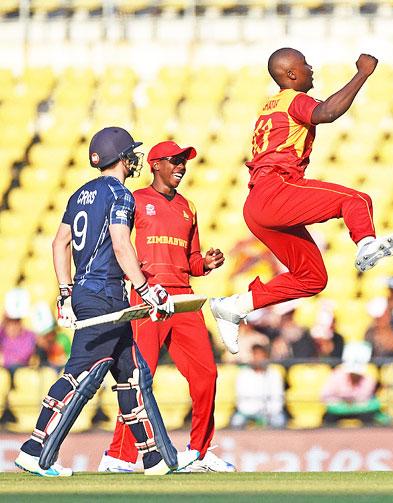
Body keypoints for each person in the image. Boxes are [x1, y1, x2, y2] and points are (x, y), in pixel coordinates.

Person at [15, 127, 197, 477]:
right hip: (105, 294)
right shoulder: (121, 194)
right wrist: (145, 289)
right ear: (121, 157)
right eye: (131, 153)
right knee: (82, 372)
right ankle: (35, 449)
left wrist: (66, 292)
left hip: (88, 291)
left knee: (133, 374)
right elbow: (119, 244)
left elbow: (59, 243)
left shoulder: (81, 193)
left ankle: (156, 458)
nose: (134, 160)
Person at [209, 48, 393, 354]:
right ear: (291, 74)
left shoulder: (270, 105)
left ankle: (235, 305)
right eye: (305, 64)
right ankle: (366, 243)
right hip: (277, 190)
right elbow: (327, 112)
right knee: (356, 200)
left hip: (258, 204)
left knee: (312, 278)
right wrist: (362, 74)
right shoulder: (293, 99)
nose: (311, 68)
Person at [98, 140, 235, 473]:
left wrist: (206, 262)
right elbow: (116, 244)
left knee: (207, 374)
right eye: (175, 160)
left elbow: (191, 261)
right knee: (139, 376)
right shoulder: (134, 200)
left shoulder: (188, 206)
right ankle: (118, 455)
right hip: (147, 298)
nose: (181, 166)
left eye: (184, 161)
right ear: (156, 164)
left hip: (183, 298)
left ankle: (199, 451)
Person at [231, 344, 286, 429]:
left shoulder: (274, 373)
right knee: (237, 421)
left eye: (261, 356)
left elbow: (278, 397)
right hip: (248, 412)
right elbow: (241, 399)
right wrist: (254, 411)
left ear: (266, 357)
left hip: (270, 413)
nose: (257, 359)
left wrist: (269, 412)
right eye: (255, 355)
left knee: (279, 421)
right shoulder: (243, 374)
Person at [321, 362, 386, 425]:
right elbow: (325, 395)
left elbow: (365, 397)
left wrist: (351, 401)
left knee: (369, 417)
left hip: (361, 410)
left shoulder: (368, 379)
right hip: (338, 409)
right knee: (328, 418)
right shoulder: (336, 376)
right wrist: (341, 400)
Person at [0, 288, 36, 373]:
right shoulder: (2, 333)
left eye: (15, 322)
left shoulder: (29, 335)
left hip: (19, 370)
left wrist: (5, 359)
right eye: (10, 322)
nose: (12, 326)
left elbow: (24, 356)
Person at [31, 301, 71, 370]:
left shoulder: (62, 339)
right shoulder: (38, 345)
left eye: (49, 334)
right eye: (45, 335)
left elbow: (69, 358)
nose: (48, 337)